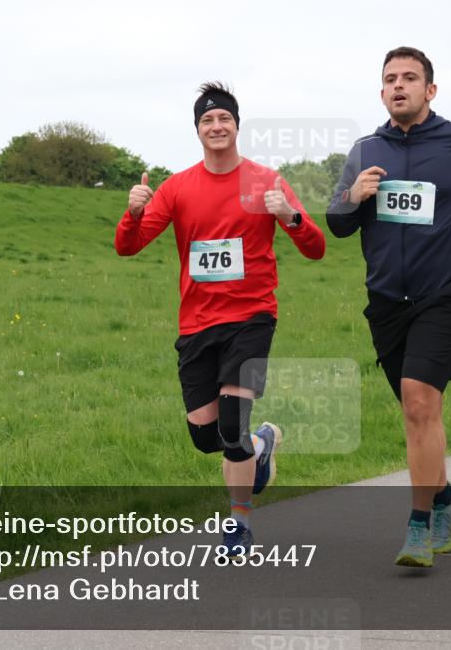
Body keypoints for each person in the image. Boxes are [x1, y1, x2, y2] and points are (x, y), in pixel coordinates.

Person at [327, 47, 451, 567]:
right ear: (381, 91)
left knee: (419, 402)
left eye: (410, 78)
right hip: (388, 302)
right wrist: (354, 195)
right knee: (418, 414)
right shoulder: (366, 148)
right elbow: (338, 224)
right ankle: (445, 499)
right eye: (390, 79)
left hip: (448, 291)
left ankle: (419, 527)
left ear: (430, 91)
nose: (399, 86)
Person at [114, 82, 326, 557]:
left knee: (230, 426)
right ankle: (260, 445)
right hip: (196, 324)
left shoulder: (265, 181)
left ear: (236, 125)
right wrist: (132, 214)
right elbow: (127, 246)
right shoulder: (178, 187)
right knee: (206, 435)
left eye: (224, 119)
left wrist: (291, 216)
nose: (216, 126)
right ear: (197, 130)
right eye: (207, 121)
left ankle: (238, 525)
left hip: (251, 317)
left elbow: (316, 248)